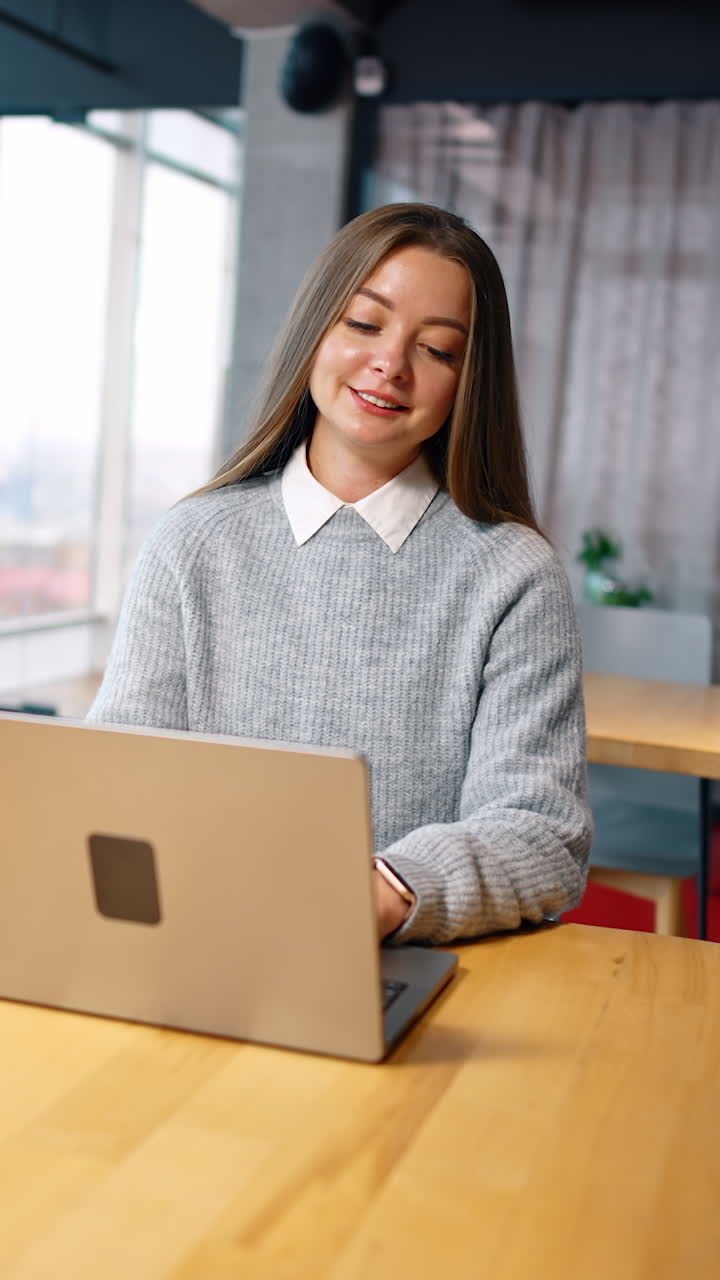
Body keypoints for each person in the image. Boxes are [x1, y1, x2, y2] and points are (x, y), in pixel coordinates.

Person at [88, 202, 592, 944]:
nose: (391, 364)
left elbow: (543, 835)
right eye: (365, 324)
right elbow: (114, 782)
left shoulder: (513, 574)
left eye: (440, 350)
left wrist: (386, 892)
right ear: (317, 329)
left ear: (467, 382)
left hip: (396, 956)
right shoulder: (192, 542)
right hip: (196, 940)